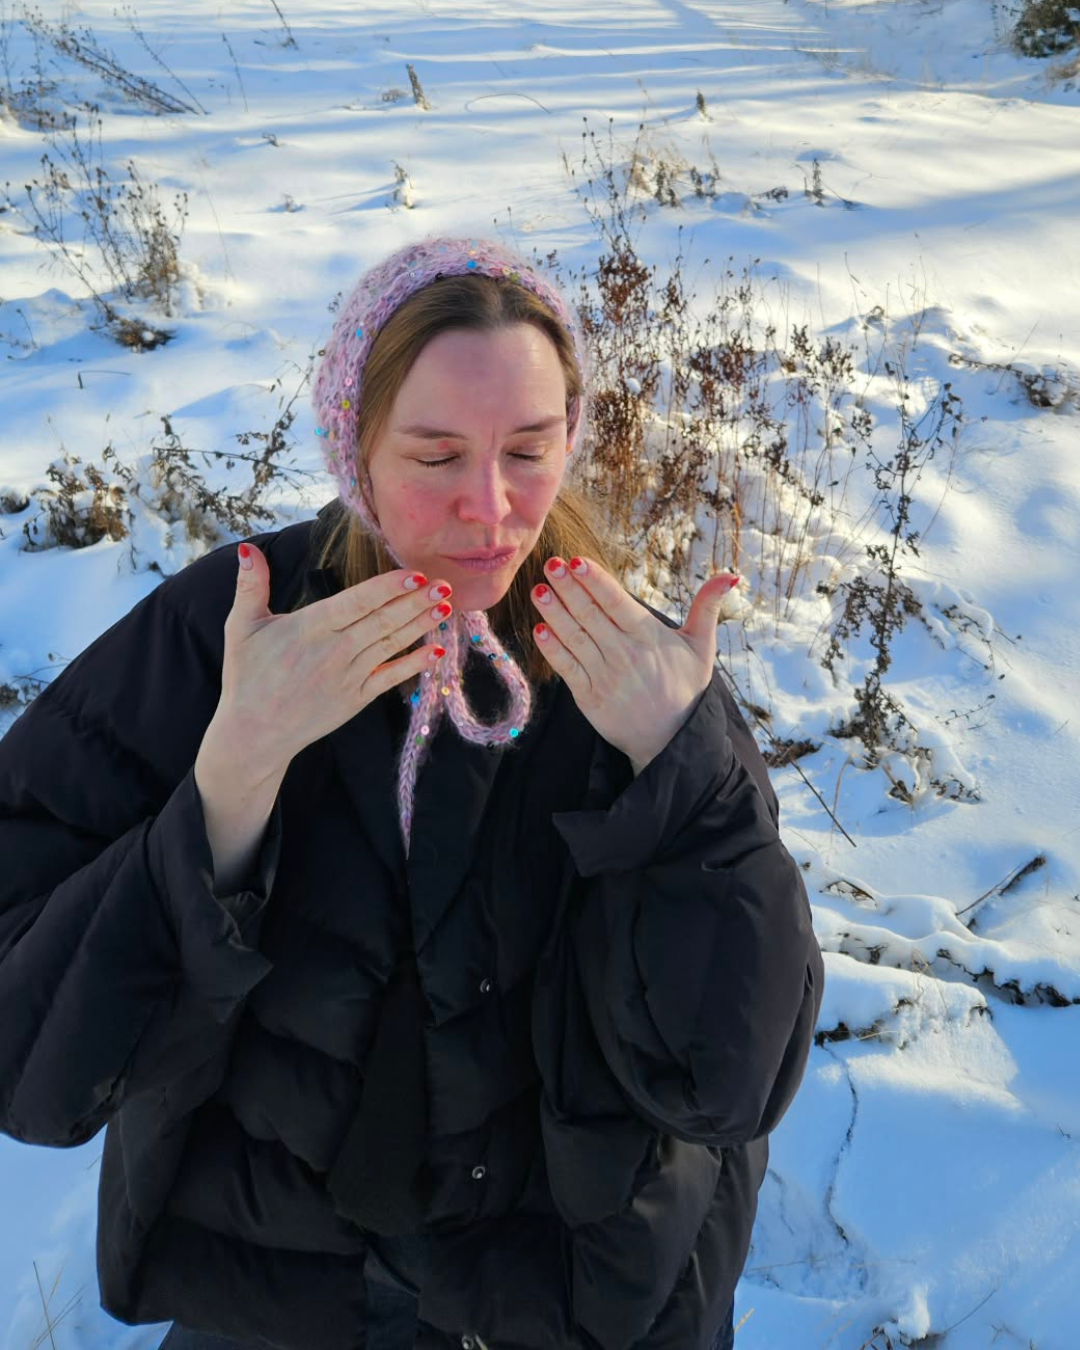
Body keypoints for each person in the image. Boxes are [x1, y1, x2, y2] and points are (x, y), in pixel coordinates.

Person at [0, 234, 825, 1350]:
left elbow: (728, 1087)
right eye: (436, 456)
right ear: (356, 450)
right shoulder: (233, 636)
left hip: (576, 1305)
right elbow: (33, 1063)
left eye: (529, 449)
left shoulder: (629, 670)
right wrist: (230, 784)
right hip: (277, 1298)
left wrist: (689, 795)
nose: (490, 508)